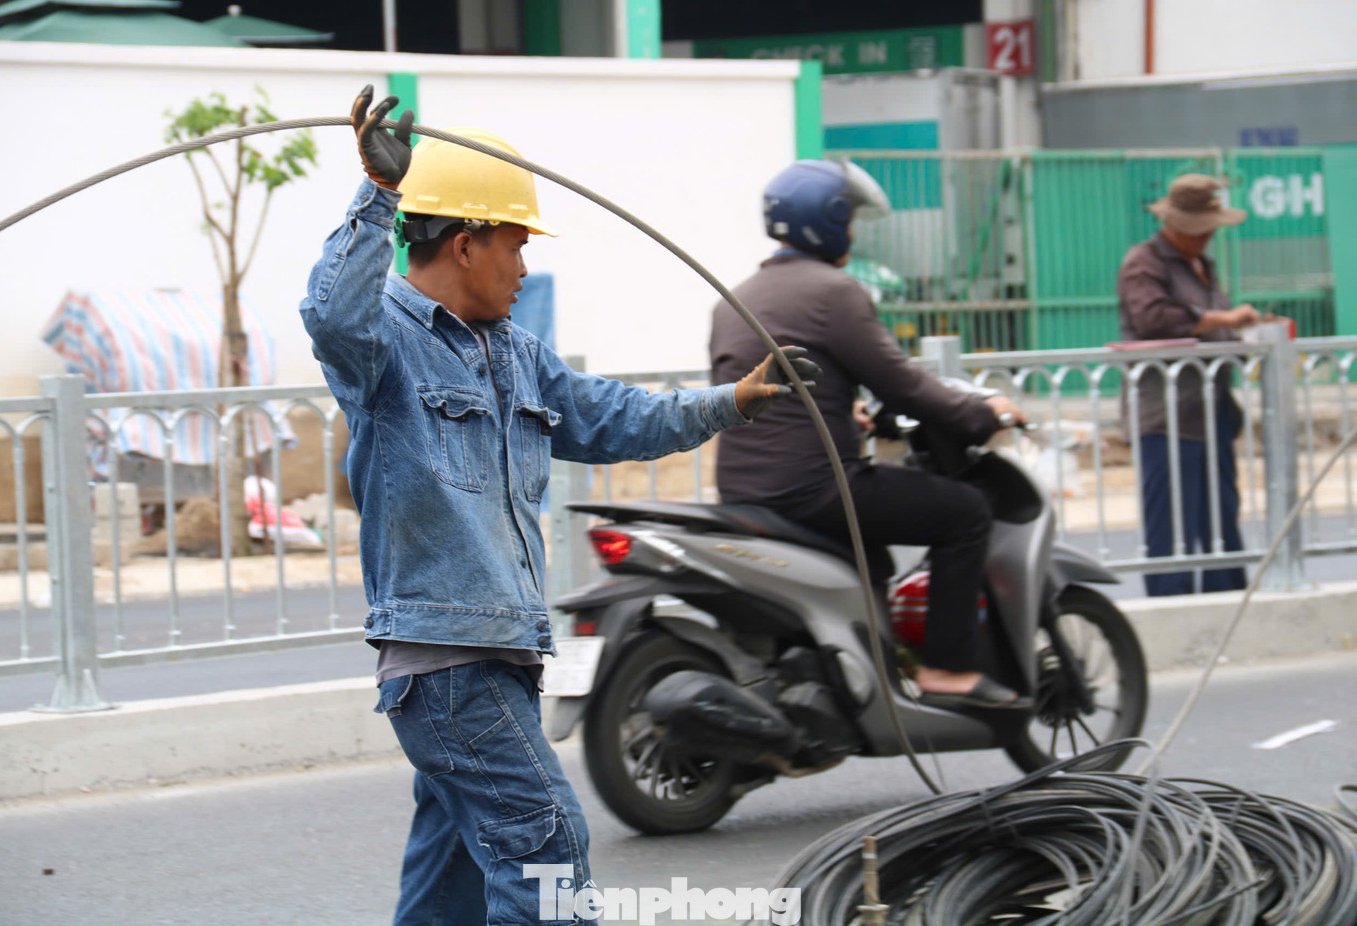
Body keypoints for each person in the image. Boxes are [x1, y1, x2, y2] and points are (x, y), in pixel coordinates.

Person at [300, 87, 816, 925]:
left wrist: (734, 401)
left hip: (497, 654)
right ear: (465, 245)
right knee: (546, 843)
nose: (525, 265)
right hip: (448, 661)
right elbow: (329, 313)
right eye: (514, 244)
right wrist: (378, 194)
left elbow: (618, 418)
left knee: (456, 878)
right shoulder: (383, 347)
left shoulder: (516, 355)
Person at [709, 158, 1027, 711]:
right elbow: (905, 386)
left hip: (743, 488)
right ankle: (949, 669)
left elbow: (778, 392)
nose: (854, 232)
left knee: (876, 542)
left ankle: (871, 666)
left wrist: (843, 411)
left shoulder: (734, 298)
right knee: (966, 512)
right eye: (850, 219)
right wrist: (982, 410)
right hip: (815, 487)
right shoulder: (835, 291)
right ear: (828, 221)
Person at [1118, 173, 1267, 596]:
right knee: (1172, 518)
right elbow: (1154, 318)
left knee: (1220, 513)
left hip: (1212, 407)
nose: (1207, 238)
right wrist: (1223, 320)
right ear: (1178, 224)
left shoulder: (1203, 265)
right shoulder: (1144, 262)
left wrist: (1246, 336)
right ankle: (1171, 599)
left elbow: (1215, 325)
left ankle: (1228, 593)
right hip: (1166, 412)